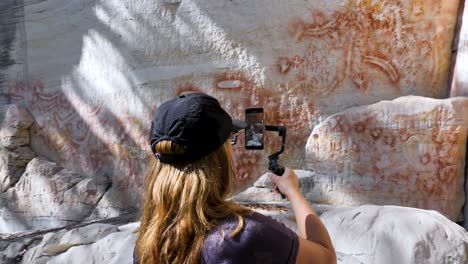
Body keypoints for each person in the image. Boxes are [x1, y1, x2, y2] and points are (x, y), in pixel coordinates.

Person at [134, 93, 336, 264]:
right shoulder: (243, 234)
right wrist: (293, 192)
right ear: (218, 156)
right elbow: (325, 259)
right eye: (230, 139)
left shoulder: (148, 243)